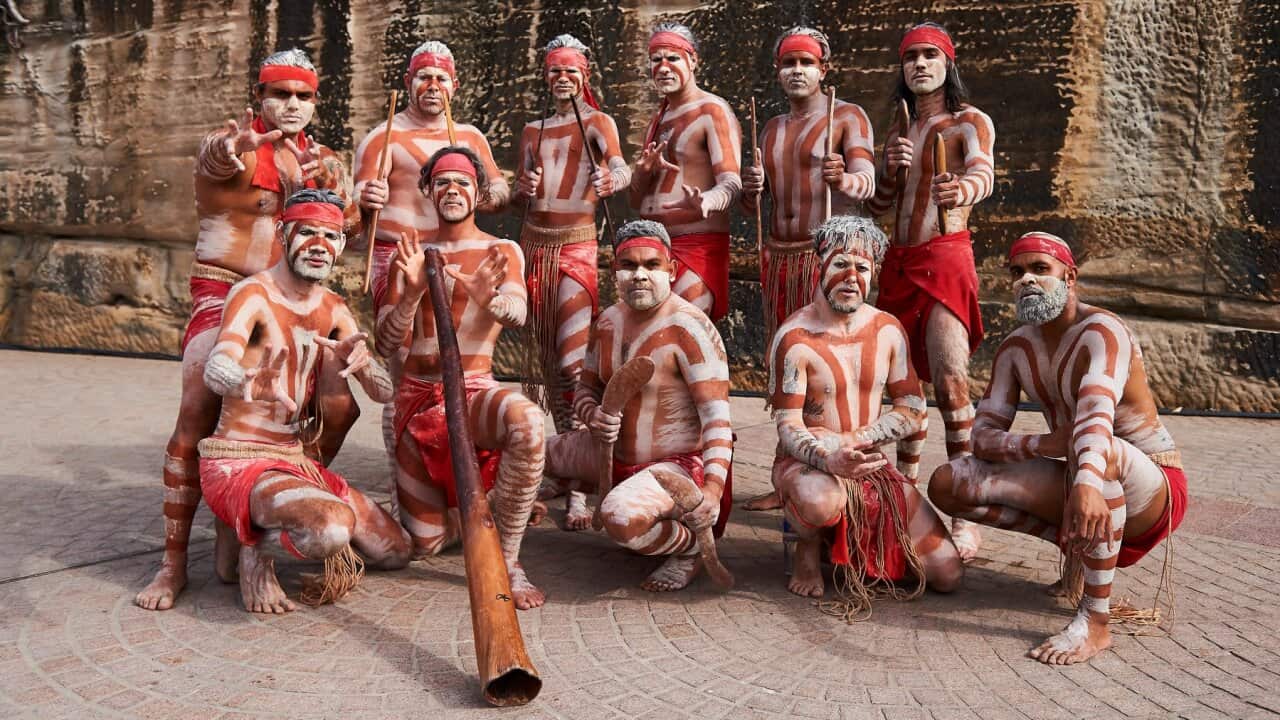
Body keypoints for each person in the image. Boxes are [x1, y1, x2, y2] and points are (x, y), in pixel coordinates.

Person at [136, 49, 359, 611]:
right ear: (258, 97)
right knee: (199, 404)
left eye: (302, 96)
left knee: (339, 406)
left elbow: (340, 229)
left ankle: (255, 511)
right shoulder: (235, 144)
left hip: (295, 302)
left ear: (314, 102)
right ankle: (172, 565)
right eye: (279, 94)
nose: (291, 105)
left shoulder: (323, 161)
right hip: (224, 291)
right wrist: (234, 147)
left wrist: (361, 206)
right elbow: (216, 159)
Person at [928, 232, 1188, 664]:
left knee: (1102, 451)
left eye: (1039, 269)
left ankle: (1096, 621)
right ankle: (1081, 557)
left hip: (1150, 486)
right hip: (1081, 478)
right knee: (949, 483)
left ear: (1070, 276)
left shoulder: (1104, 332)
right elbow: (982, 437)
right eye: (1017, 271)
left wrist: (1084, 480)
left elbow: (1096, 419)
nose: (1026, 279)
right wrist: (1042, 443)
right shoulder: (1015, 348)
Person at [198, 189, 409, 614]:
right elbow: (215, 368)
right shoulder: (253, 294)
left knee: (396, 549)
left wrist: (365, 367)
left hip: (294, 461)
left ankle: (246, 530)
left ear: (342, 246)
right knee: (332, 531)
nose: (319, 245)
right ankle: (254, 553)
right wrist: (245, 384)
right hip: (237, 459)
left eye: (330, 236)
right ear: (283, 232)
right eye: (307, 232)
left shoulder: (334, 308)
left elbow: (385, 393)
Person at [375, 147, 546, 609]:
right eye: (443, 183)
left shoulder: (501, 249)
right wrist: (410, 294)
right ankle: (474, 512)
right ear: (428, 190)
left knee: (527, 423)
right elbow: (387, 343)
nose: (452, 190)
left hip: (472, 391)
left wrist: (483, 296)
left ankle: (508, 559)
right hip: (415, 400)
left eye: (463, 182)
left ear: (479, 192)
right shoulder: (409, 252)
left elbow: (516, 311)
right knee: (424, 545)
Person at [769, 216, 961, 610]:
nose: (851, 276)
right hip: (809, 465)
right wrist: (828, 456)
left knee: (947, 574)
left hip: (869, 466)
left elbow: (912, 409)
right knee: (819, 501)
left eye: (863, 267)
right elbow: (787, 426)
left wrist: (858, 444)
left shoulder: (888, 330)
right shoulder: (794, 338)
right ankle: (807, 549)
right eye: (840, 264)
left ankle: (850, 544)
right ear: (820, 264)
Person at [353, 39, 510, 506]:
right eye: (424, 76)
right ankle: (400, 467)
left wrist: (478, 194)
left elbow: (499, 190)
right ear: (408, 83)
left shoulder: (469, 137)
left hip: (458, 258)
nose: (433, 85)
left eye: (442, 78)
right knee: (404, 368)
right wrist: (366, 197)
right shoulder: (383, 135)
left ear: (454, 86)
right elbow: (354, 207)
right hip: (397, 257)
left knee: (462, 362)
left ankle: (456, 462)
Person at [541, 220, 733, 592]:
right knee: (524, 453)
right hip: (609, 454)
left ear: (672, 270)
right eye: (629, 265)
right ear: (615, 270)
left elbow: (717, 421)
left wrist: (711, 490)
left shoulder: (691, 329)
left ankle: (692, 547)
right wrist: (592, 415)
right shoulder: (609, 321)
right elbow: (586, 389)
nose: (639, 275)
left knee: (619, 518)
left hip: (676, 467)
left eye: (651, 265)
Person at [866, 22, 996, 560]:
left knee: (950, 380)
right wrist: (888, 172)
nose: (920, 64)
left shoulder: (969, 122)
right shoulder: (896, 131)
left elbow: (983, 175)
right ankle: (907, 495)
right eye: (911, 57)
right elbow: (877, 209)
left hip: (944, 258)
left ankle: (963, 512)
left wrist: (960, 186)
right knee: (904, 385)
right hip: (897, 262)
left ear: (947, 64)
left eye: (930, 55)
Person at [741, 26, 877, 512]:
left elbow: (867, 179)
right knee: (786, 365)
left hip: (826, 257)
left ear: (824, 69)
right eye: (788, 64)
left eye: (805, 63)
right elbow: (749, 202)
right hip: (779, 253)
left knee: (828, 368)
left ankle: (839, 467)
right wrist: (749, 188)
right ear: (778, 71)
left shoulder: (847, 116)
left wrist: (847, 176)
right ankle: (788, 472)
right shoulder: (771, 129)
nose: (796, 71)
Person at [629, 23, 742, 322]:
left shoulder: (712, 110)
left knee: (685, 336)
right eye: (656, 60)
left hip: (696, 246)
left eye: (673, 58)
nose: (663, 68)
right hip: (653, 248)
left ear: (693, 61)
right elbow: (635, 200)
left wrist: (707, 201)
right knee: (654, 345)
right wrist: (642, 173)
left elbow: (732, 183)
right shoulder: (658, 118)